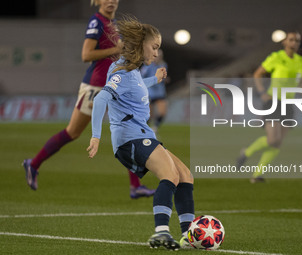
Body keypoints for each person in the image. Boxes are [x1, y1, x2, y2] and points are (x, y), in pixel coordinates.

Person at [23, 0, 156, 199]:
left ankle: (135, 186)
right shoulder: (97, 22)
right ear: (98, 1)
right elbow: (86, 54)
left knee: (129, 130)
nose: (111, 1)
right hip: (95, 86)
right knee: (73, 132)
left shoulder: (115, 24)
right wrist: (116, 50)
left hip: (115, 85)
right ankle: (33, 164)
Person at [87, 16, 195, 250]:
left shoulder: (134, 71)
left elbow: (133, 87)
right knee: (170, 176)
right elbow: (102, 98)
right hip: (130, 138)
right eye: (154, 47)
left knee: (185, 175)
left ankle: (189, 236)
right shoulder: (122, 70)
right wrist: (96, 135)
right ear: (141, 45)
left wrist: (153, 79)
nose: (156, 53)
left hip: (141, 135)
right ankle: (161, 232)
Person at [236, 31, 302, 183]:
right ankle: (246, 152)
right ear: (285, 42)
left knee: (278, 142)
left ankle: (257, 175)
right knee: (272, 139)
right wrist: (262, 91)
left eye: (297, 41)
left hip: (290, 104)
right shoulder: (276, 57)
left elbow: (300, 81)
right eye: (291, 40)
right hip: (274, 102)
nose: (294, 43)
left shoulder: (301, 61)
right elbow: (257, 74)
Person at [140, 49, 168, 134]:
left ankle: (155, 127)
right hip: (150, 93)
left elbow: (163, 77)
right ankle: (144, 130)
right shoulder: (147, 65)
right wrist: (153, 80)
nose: (158, 58)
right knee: (149, 115)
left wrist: (164, 79)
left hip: (160, 92)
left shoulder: (164, 65)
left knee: (162, 112)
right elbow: (141, 77)